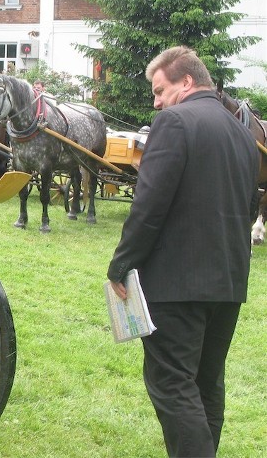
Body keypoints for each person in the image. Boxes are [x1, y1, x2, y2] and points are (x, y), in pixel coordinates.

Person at [107, 46, 260, 458]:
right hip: (229, 282)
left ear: (186, 82)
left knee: (173, 384)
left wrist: (120, 266)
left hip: (176, 284)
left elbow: (149, 206)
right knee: (207, 383)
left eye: (160, 90)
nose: (155, 101)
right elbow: (250, 208)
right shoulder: (244, 134)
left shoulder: (173, 122)